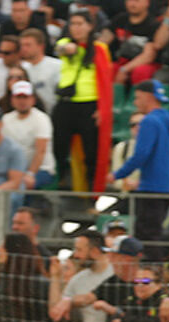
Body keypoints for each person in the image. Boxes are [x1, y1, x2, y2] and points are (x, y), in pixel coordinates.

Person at [110, 79, 169, 254]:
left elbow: (141, 154)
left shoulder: (149, 121)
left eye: (137, 97)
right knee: (154, 233)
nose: (135, 102)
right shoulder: (168, 119)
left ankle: (150, 274)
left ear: (148, 97)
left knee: (146, 237)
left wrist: (117, 174)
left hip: (151, 187)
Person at [53, 9, 113, 192]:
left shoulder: (100, 49)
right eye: (73, 24)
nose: (76, 28)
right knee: (59, 146)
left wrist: (101, 109)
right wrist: (74, 47)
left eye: (80, 24)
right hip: (66, 102)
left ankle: (91, 189)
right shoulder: (65, 43)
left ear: (90, 26)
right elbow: (61, 49)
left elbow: (105, 78)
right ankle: (60, 181)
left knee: (91, 152)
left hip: (89, 103)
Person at [2, 80, 56, 192]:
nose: (22, 101)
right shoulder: (6, 119)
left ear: (33, 100)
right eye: (18, 97)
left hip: (41, 169)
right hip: (14, 169)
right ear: (12, 100)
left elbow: (41, 151)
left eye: (25, 97)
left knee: (22, 184)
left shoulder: (41, 119)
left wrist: (30, 173)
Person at [18, 28, 62, 112]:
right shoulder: (21, 68)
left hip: (54, 113)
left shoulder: (57, 65)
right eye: (22, 45)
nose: (24, 49)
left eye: (28, 45)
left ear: (41, 46)